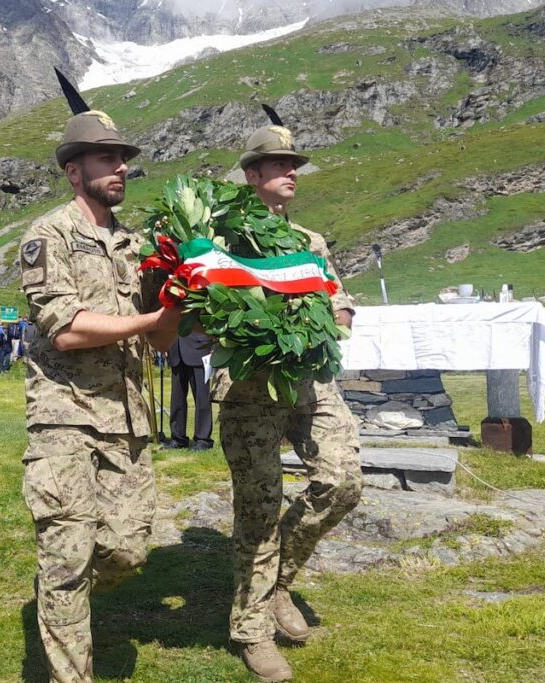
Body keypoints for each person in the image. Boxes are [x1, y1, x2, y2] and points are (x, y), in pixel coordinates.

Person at [18, 100, 180, 683]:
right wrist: (151, 318)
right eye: (106, 159)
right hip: (64, 414)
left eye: (123, 160)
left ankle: (61, 593)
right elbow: (65, 330)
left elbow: (161, 341)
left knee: (128, 551)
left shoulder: (138, 247)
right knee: (66, 559)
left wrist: (181, 302)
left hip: (128, 416)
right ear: (73, 171)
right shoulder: (48, 234)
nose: (120, 169)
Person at [213, 119, 362, 681]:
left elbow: (336, 297)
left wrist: (337, 316)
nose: (292, 172)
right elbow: (204, 306)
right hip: (250, 387)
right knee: (258, 508)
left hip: (311, 380)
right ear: (253, 174)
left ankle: (280, 582)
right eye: (280, 165)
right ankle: (251, 631)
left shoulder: (309, 242)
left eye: (295, 165)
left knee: (342, 480)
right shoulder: (222, 238)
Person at [163, 331, 214, 451]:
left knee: (202, 398)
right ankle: (178, 437)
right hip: (175, 349)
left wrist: (212, 345)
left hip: (199, 348)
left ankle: (203, 439)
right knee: (176, 399)